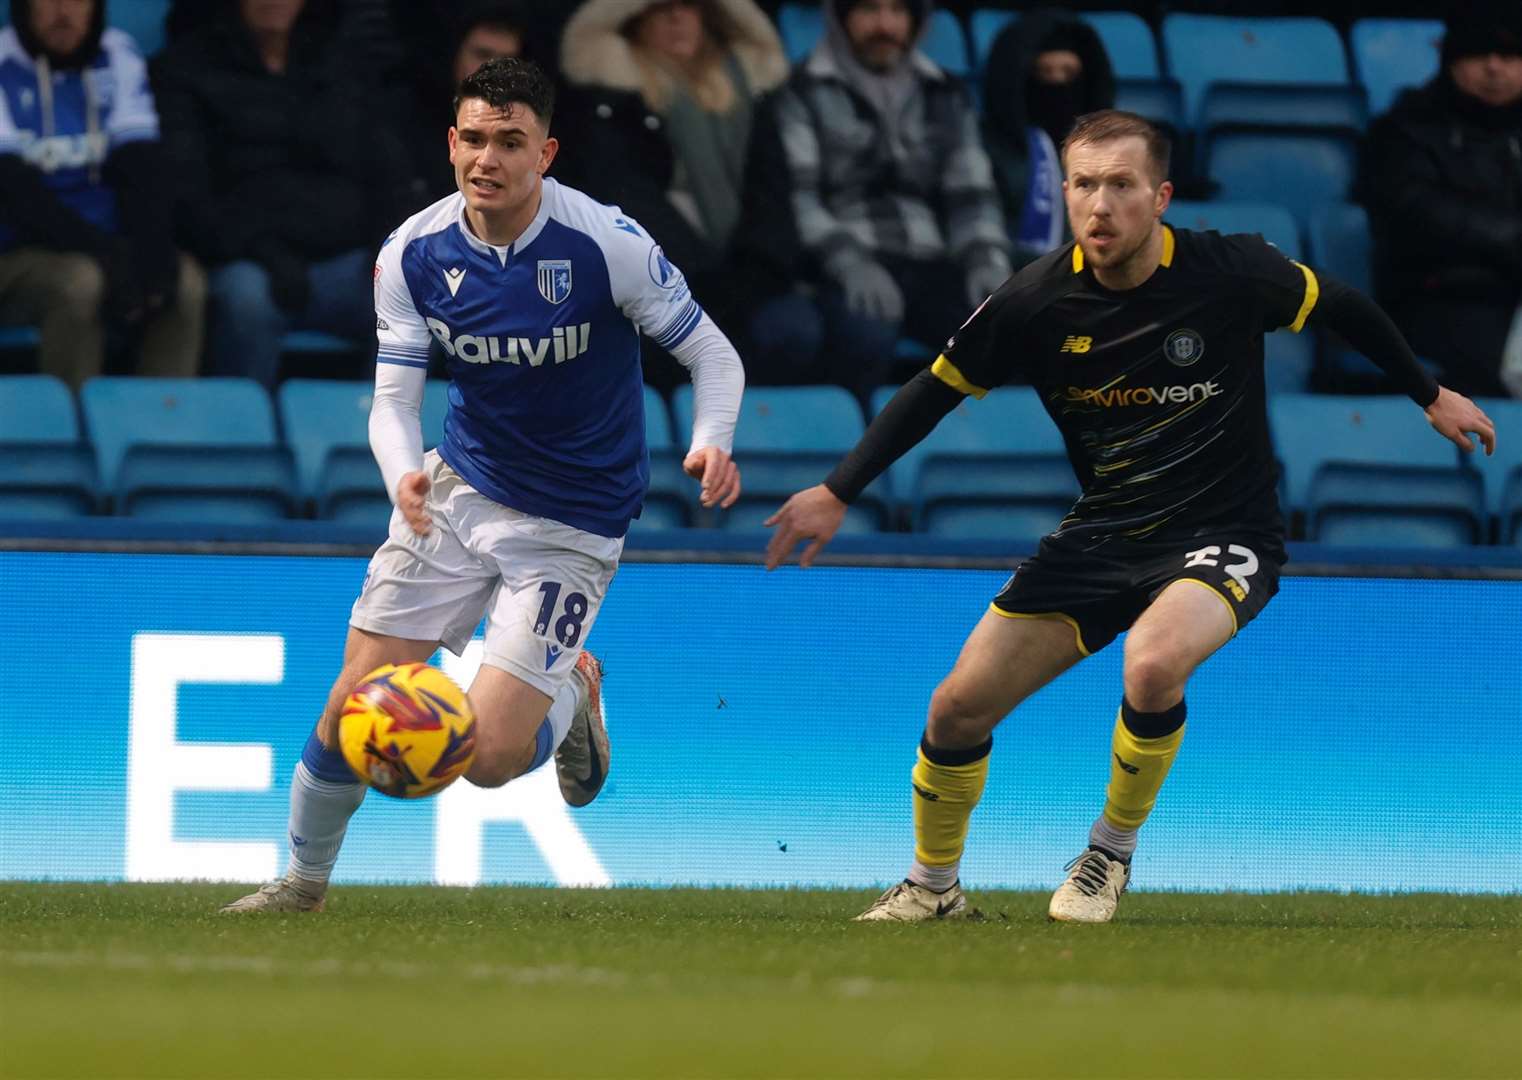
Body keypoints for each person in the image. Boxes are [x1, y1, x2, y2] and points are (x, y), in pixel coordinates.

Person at [764, 110, 1496, 924]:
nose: (1099, 205)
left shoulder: (1230, 270)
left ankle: (1107, 854)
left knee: (1151, 666)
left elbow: (1347, 305)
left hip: (1226, 532)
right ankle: (933, 888)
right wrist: (838, 490)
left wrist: (1430, 396)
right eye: (1083, 184)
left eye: (1120, 185)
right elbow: (931, 391)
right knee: (955, 709)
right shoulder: (1035, 299)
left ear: (1161, 196)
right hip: (1104, 533)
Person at [222, 58, 745, 913]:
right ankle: (299, 887)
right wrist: (403, 478)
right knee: (354, 700)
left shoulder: (606, 244)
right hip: (459, 492)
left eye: (510, 141)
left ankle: (573, 689)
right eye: (473, 138)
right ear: (451, 142)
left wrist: (711, 441)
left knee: (491, 760)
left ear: (546, 152)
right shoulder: (413, 253)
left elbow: (712, 354)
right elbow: (393, 400)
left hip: (572, 524)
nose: (488, 159)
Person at [152, 0, 408, 387]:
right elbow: (187, 198)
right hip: (243, 262)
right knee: (248, 301)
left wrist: (385, 250)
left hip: (342, 261)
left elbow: (384, 173)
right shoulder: (183, 69)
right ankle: (242, 439)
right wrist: (264, 251)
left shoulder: (342, 64)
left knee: (409, 302)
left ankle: (377, 441)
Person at [773, 0, 1010, 399]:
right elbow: (801, 199)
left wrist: (986, 258)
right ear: (842, 18)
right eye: (868, 10)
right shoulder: (800, 91)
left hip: (933, 261)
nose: (885, 25)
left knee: (1001, 334)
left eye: (897, 11)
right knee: (864, 336)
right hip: (845, 263)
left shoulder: (944, 92)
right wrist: (847, 261)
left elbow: (972, 193)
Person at [557, 0, 794, 387]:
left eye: (690, 6)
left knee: (794, 329)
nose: (676, 17)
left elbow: (770, 193)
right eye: (660, 7)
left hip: (747, 276)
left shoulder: (748, 94)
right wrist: (698, 277)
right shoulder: (611, 99)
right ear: (634, 20)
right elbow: (626, 196)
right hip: (659, 277)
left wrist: (752, 272)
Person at [0, 0, 203, 387]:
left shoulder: (116, 53)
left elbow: (142, 168)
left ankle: (158, 434)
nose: (63, 12)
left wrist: (149, 251)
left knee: (183, 281)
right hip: (16, 255)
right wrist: (107, 254)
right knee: (81, 282)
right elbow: (17, 195)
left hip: (98, 245)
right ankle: (73, 434)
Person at [1362, 5, 1522, 400]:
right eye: (1478, 55)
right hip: (1444, 303)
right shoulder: (1406, 128)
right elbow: (1413, 211)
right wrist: (1513, 237)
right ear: (1451, 59)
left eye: (1510, 57)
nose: (1494, 68)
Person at [981, 9, 1114, 265]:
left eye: (1069, 74)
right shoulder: (986, 149)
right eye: (1044, 73)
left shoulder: (1109, 153)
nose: (1057, 86)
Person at [389, 2, 538, 211]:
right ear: (455, 54)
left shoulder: (534, 128)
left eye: (506, 60)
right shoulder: (403, 116)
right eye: (482, 54)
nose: (492, 70)